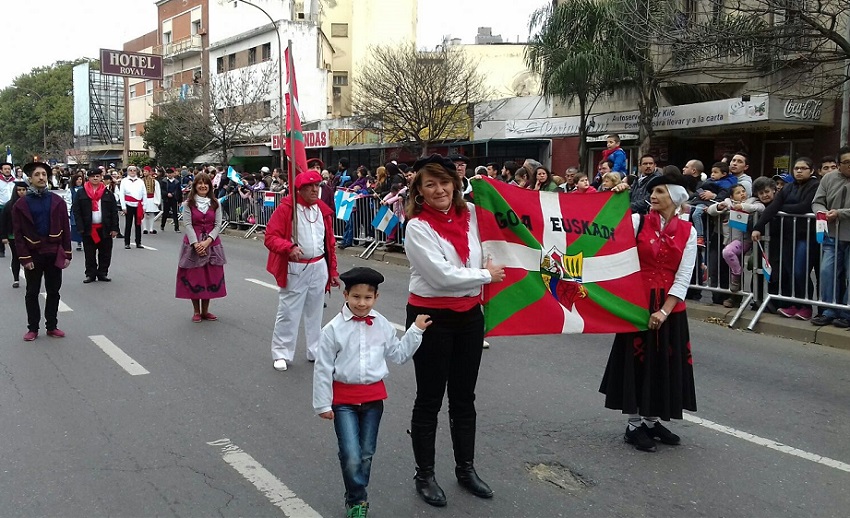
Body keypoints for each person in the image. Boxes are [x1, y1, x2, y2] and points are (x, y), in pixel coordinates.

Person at [404, 154, 506, 507]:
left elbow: (513, 222)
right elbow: (441, 276)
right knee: (430, 398)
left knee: (464, 398)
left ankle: (466, 469)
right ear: (419, 190)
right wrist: (485, 276)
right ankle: (425, 474)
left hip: (468, 318)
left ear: (455, 183)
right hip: (430, 318)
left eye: (444, 182)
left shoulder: (473, 216)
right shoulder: (417, 227)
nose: (439, 190)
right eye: (429, 184)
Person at [313, 267, 431, 518]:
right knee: (352, 455)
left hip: (373, 401)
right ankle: (357, 499)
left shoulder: (383, 325)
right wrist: (323, 404)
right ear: (345, 295)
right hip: (343, 401)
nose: (361, 303)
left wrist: (415, 331)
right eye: (356, 297)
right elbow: (323, 368)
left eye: (367, 298)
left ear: (376, 297)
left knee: (366, 453)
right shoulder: (332, 330)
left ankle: (354, 487)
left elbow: (398, 355)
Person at [601, 168, 697, 452]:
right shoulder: (637, 222)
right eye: (652, 191)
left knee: (662, 364)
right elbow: (605, 231)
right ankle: (634, 425)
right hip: (637, 304)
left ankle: (651, 421)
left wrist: (665, 311)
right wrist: (614, 199)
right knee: (637, 363)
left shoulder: (688, 231)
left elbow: (684, 275)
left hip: (669, 308)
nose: (653, 196)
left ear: (675, 197)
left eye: (660, 191)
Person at [265, 170, 341, 372]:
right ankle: (281, 352)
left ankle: (315, 349)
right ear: (300, 189)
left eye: (317, 185)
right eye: (310, 186)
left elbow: (329, 243)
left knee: (315, 311)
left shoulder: (322, 211)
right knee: (288, 311)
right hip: (296, 268)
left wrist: (332, 270)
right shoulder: (286, 210)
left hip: (318, 266)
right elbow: (271, 237)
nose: (315, 190)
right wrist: (288, 247)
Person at [752, 157, 820, 320]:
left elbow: (804, 207)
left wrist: (781, 208)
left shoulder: (815, 186)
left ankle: (806, 306)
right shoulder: (788, 187)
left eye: (803, 168)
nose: (799, 171)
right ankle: (792, 304)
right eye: (796, 168)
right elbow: (773, 207)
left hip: (806, 236)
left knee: (800, 271)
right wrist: (758, 227)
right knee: (788, 271)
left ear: (811, 171)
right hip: (788, 236)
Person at [12, 162, 73, 341]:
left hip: (54, 252)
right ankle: (32, 328)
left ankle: (52, 326)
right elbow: (18, 233)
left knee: (54, 291)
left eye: (44, 175)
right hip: (33, 254)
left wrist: (67, 253)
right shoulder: (21, 204)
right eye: (37, 175)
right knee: (32, 292)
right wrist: (24, 258)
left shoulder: (57, 201)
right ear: (30, 179)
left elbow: (66, 229)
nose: (41, 177)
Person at [176, 173, 227, 322]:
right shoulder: (188, 204)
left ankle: (206, 310)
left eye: (206, 183)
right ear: (195, 186)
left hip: (212, 244)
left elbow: (218, 225)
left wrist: (208, 241)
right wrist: (196, 244)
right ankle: (196, 311)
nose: (203, 186)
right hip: (193, 244)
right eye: (200, 183)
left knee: (209, 277)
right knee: (195, 277)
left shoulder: (215, 203)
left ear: (210, 186)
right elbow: (188, 224)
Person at [810, 146, 850, 328]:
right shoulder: (828, 178)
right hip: (832, 235)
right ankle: (828, 310)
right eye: (846, 162)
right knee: (827, 272)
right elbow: (817, 201)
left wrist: (840, 213)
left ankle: (846, 312)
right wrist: (822, 212)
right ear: (839, 164)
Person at [72, 169, 120, 284]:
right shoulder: (81, 193)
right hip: (89, 228)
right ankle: (90, 274)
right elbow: (76, 211)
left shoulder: (107, 193)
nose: (95, 178)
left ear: (101, 178)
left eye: (97, 176)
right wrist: (80, 227)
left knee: (105, 252)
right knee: (89, 253)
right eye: (92, 176)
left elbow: (114, 211)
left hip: (105, 228)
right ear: (88, 178)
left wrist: (114, 228)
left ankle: (103, 273)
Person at [1, 181, 27, 287]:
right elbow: (3, 222)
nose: (21, 192)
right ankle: (16, 279)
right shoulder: (9, 205)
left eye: (23, 190)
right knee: (16, 257)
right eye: (19, 190)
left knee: (28, 257)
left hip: (28, 236)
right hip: (13, 236)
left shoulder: (30, 203)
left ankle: (30, 278)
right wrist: (3, 236)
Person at [119, 165, 146, 249]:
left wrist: (144, 206)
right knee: (128, 224)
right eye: (131, 170)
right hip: (128, 204)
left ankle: (138, 242)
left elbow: (144, 193)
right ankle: (127, 242)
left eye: (134, 170)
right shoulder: (124, 181)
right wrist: (123, 206)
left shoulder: (140, 181)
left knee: (138, 224)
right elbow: (121, 194)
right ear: (128, 171)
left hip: (138, 205)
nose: (132, 172)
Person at [0, 161, 16, 258]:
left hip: (13, 207)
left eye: (8, 169)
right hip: (1, 207)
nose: (7, 170)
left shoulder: (14, 181)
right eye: (5, 169)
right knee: (1, 227)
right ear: (1, 170)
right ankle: (1, 249)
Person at [160, 168, 183, 232]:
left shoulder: (176, 182)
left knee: (175, 213)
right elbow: (162, 190)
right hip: (166, 199)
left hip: (174, 198)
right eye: (168, 173)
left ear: (173, 174)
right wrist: (166, 194)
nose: (169, 174)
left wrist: (180, 200)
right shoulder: (164, 181)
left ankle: (176, 228)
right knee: (165, 213)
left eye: (170, 173)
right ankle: (162, 225)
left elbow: (179, 191)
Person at [141, 166, 162, 235]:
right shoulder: (141, 181)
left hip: (152, 198)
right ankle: (144, 228)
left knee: (152, 214)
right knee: (143, 214)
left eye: (146, 171)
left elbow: (157, 191)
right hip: (144, 199)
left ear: (149, 172)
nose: (144, 173)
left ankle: (151, 228)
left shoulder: (154, 181)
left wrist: (157, 200)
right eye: (144, 171)